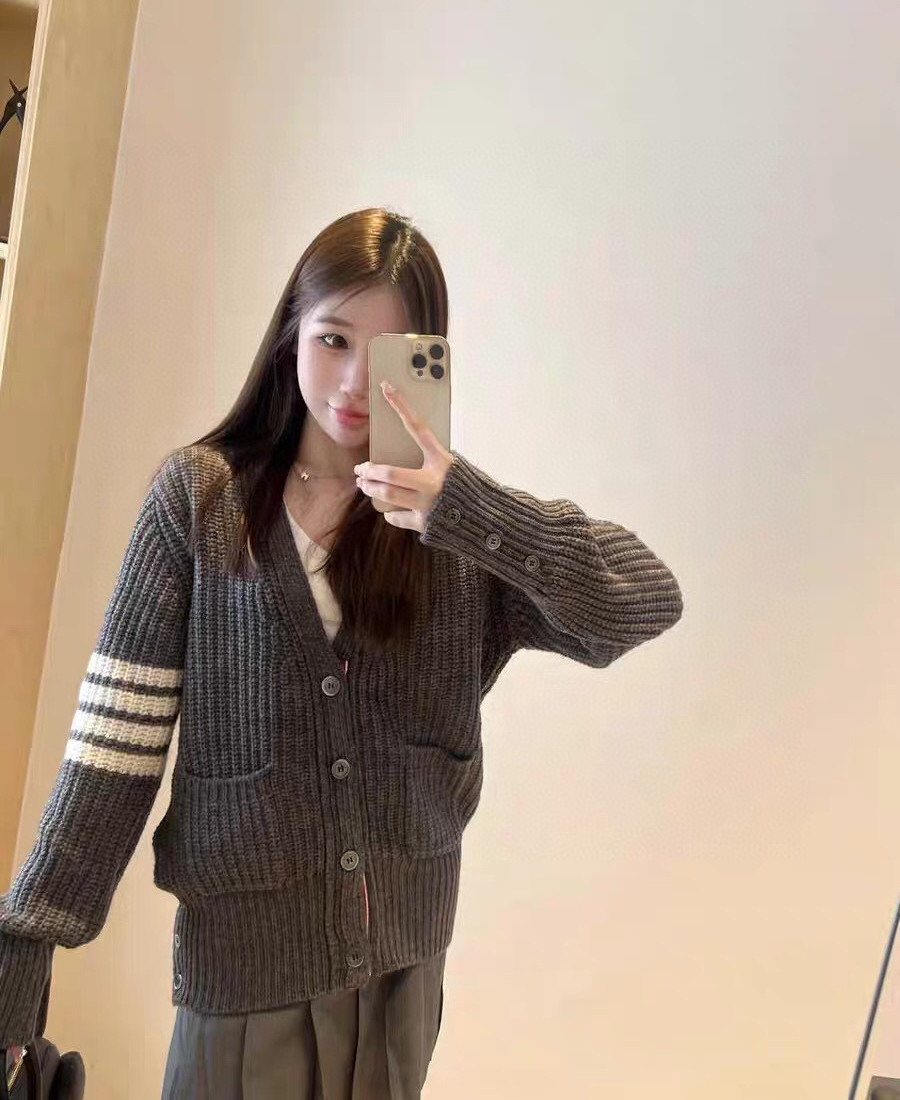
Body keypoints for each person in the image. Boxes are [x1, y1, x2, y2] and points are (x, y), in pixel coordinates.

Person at [0, 207, 684, 1098]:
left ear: (430, 360)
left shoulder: (457, 534)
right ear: (292, 333)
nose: (357, 381)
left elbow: (644, 600)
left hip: (402, 979)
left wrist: (466, 509)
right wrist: (29, 938)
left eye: (391, 353)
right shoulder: (200, 503)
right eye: (333, 340)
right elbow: (114, 747)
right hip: (243, 979)